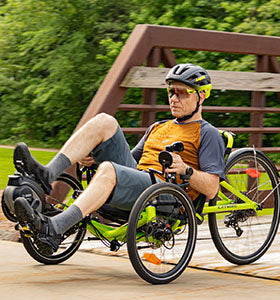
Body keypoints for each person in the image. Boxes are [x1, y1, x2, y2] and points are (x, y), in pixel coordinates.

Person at [13, 63, 225, 254]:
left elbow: (212, 188)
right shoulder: (158, 127)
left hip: (165, 196)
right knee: (105, 121)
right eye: (171, 91)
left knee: (108, 170)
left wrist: (185, 169)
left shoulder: (208, 134)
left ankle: (56, 228)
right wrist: (94, 161)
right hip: (140, 180)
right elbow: (131, 160)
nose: (173, 98)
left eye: (182, 93)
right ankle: (47, 174)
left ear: (201, 96)